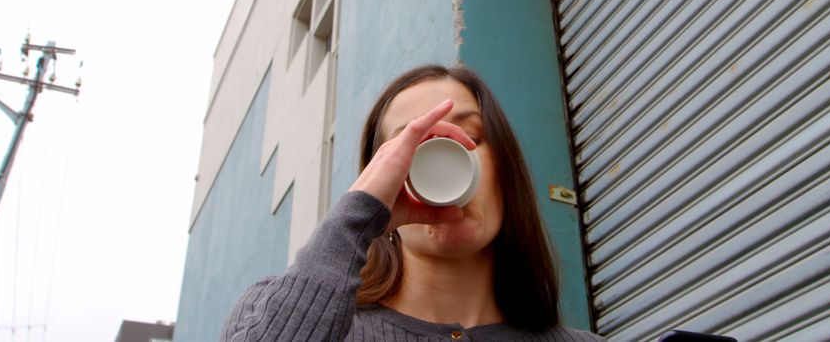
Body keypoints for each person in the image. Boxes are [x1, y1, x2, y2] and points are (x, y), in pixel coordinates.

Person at [220, 65, 604, 341]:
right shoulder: (275, 315)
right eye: (413, 146)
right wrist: (357, 216)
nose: (445, 157)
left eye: (468, 136)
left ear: (506, 169)